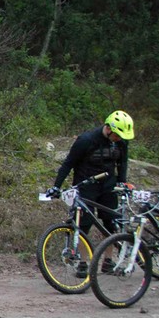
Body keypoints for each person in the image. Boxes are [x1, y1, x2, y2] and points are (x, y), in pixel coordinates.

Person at [45, 110, 134, 277]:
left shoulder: (122, 142)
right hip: (86, 186)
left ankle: (108, 261)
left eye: (121, 137)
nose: (119, 139)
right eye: (117, 135)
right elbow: (68, 164)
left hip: (108, 186)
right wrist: (56, 186)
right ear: (108, 128)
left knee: (110, 223)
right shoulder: (86, 140)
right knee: (83, 225)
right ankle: (83, 263)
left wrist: (122, 182)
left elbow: (122, 163)